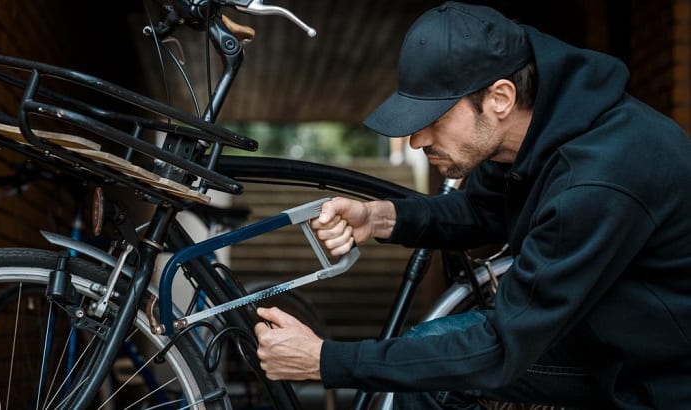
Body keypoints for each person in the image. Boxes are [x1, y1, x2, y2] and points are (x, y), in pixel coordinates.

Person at [254, 2, 691, 409]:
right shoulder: (528, 138)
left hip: (654, 376)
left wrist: (324, 360)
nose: (417, 140)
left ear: (500, 97)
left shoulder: (598, 179)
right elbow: (482, 212)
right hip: (597, 337)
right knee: (431, 356)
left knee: (435, 368)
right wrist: (379, 216)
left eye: (436, 120)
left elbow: (501, 348)